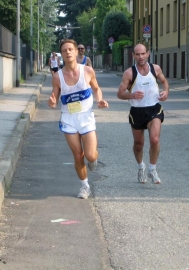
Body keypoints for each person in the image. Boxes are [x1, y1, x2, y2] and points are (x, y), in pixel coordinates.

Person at [48, 39, 109, 199]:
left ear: (76, 52)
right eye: (64, 51)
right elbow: (54, 98)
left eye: (70, 49)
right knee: (78, 155)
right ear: (61, 55)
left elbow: (96, 88)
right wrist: (52, 102)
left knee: (90, 155)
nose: (67, 52)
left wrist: (100, 100)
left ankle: (93, 159)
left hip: (86, 118)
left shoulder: (87, 71)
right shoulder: (57, 77)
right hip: (69, 119)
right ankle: (85, 186)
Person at [116, 43, 169, 184]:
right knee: (139, 144)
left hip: (154, 109)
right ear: (133, 55)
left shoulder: (155, 69)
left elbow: (164, 82)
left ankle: (153, 169)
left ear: (148, 54)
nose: (140, 57)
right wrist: (131, 95)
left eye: (143, 53)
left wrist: (166, 92)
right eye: (137, 54)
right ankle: (141, 167)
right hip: (137, 111)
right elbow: (120, 94)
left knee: (155, 139)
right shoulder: (129, 73)